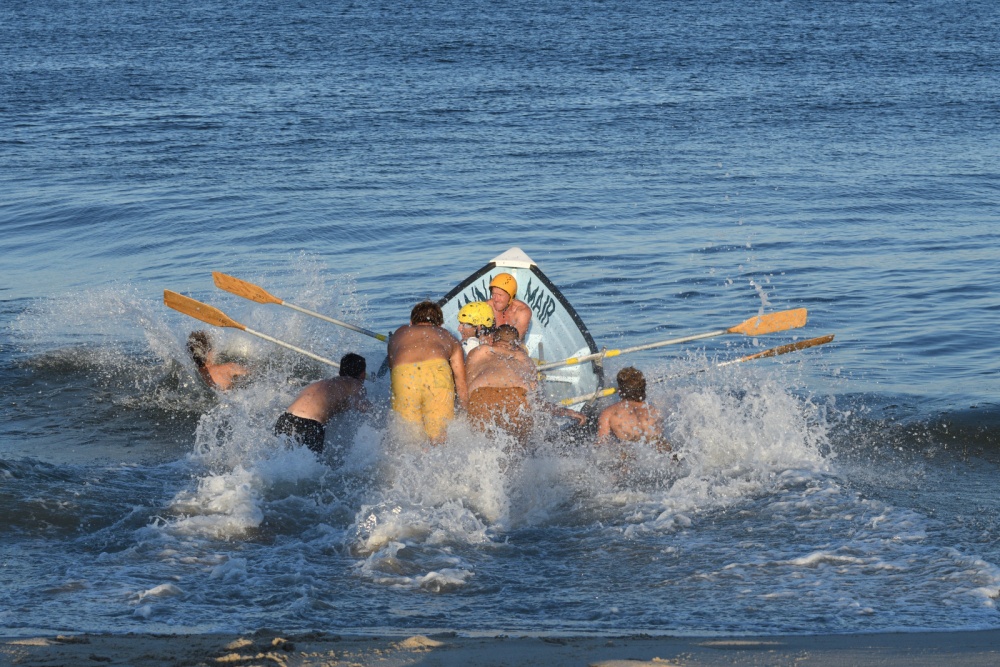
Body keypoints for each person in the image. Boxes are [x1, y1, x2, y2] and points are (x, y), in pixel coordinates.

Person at [466, 324, 586, 445]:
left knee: (481, 446)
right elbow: (537, 402)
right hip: (517, 396)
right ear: (516, 344)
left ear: (492, 339)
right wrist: (565, 411)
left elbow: (465, 391)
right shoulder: (523, 358)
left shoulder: (479, 352)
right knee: (519, 448)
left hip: (481, 395)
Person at [387, 301, 469, 444]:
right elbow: (460, 382)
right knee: (439, 437)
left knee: (408, 438)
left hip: (404, 375)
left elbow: (392, 369)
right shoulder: (447, 336)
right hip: (436, 373)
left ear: (411, 322)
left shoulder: (400, 333)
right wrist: (464, 412)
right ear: (440, 324)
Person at [273, 353, 370, 453]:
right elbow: (363, 407)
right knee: (307, 463)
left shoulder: (326, 383)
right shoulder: (355, 384)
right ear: (363, 374)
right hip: (308, 425)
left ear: (340, 372)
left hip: (285, 419)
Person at [596, 367, 670, 453]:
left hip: (628, 456)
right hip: (658, 455)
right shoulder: (655, 412)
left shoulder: (608, 413)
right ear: (643, 390)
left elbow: (602, 446)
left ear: (619, 390)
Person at [487, 273, 532, 341]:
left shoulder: (523, 312)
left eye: (500, 295)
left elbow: (515, 341)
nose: (496, 299)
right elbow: (481, 335)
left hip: (513, 345)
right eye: (493, 294)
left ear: (511, 296)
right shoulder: (488, 306)